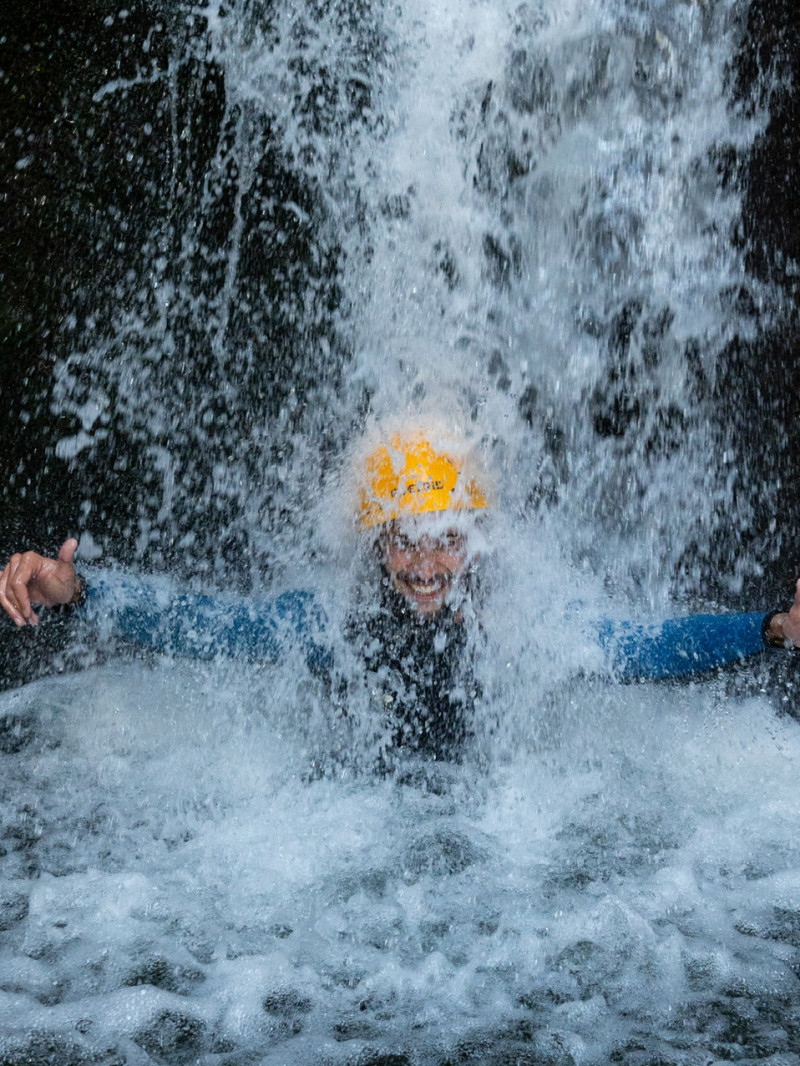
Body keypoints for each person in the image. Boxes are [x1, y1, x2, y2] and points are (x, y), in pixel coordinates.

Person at [2, 426, 800, 765]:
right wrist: (83, 591)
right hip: (367, 828)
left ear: (476, 544)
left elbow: (645, 649)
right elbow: (215, 625)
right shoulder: (334, 622)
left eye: (447, 538)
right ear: (379, 542)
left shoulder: (523, 623)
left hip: (484, 831)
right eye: (406, 538)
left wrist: (768, 626)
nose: (426, 563)